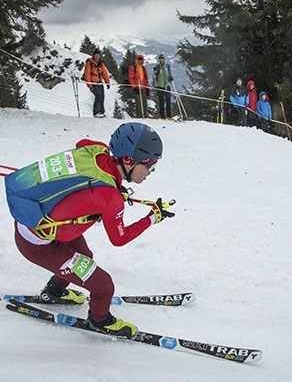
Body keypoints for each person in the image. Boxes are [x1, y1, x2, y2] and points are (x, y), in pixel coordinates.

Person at [11, 122, 173, 338]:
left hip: (42, 222)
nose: (151, 171)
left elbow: (82, 145)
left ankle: (54, 292)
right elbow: (119, 238)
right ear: (127, 160)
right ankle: (99, 321)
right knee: (103, 287)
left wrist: (113, 186)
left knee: (85, 257)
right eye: (149, 164)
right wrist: (152, 218)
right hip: (36, 244)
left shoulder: (96, 149)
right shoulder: (110, 199)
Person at [83, 49, 110, 118]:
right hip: (93, 83)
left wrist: (107, 82)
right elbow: (87, 74)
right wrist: (90, 85)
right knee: (98, 96)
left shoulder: (101, 64)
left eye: (98, 56)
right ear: (93, 56)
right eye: (96, 56)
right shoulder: (89, 63)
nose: (97, 57)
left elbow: (105, 73)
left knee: (102, 97)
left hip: (100, 83)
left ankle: (101, 111)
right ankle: (96, 112)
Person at [127, 54, 151, 118]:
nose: (140, 61)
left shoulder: (143, 68)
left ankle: (145, 115)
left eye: (141, 60)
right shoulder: (133, 68)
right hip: (137, 87)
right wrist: (134, 87)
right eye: (139, 60)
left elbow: (145, 78)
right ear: (136, 60)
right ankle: (139, 116)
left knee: (144, 102)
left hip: (143, 87)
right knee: (138, 103)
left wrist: (147, 87)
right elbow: (131, 78)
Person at [152, 54, 174, 120]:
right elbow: (154, 75)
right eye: (160, 59)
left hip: (167, 85)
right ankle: (162, 116)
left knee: (168, 101)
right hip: (160, 86)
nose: (161, 60)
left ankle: (169, 116)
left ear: (164, 59)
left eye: (162, 59)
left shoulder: (168, 66)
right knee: (161, 102)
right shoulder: (157, 66)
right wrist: (156, 73)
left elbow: (170, 73)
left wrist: (171, 77)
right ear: (159, 60)